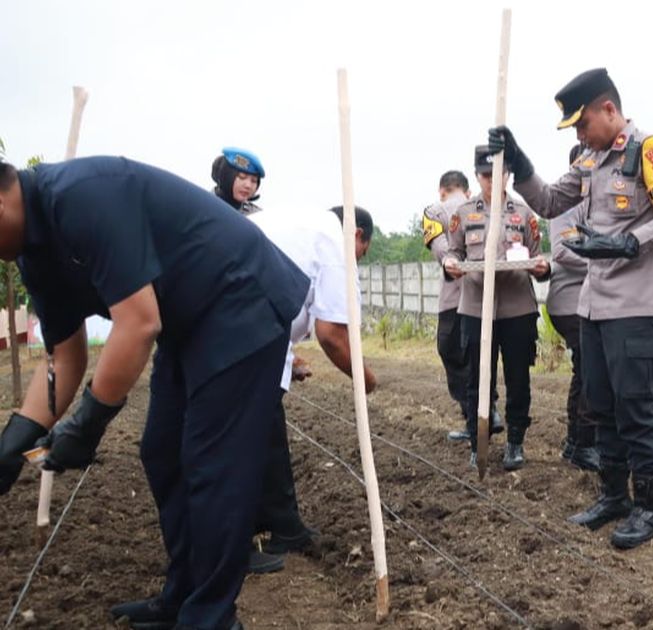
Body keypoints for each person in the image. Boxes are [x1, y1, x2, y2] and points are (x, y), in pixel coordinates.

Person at [0, 156, 309, 630]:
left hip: (239, 296)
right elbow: (63, 357)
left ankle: (210, 617)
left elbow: (139, 321)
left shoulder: (79, 195)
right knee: (162, 451)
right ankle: (184, 598)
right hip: (189, 320)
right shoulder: (33, 255)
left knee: (212, 462)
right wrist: (14, 441)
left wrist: (89, 422)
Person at [489, 67, 653, 549]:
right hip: (594, 306)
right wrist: (519, 163)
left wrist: (628, 243)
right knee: (600, 405)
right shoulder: (590, 159)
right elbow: (549, 201)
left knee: (635, 409)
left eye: (582, 124)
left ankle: (647, 508)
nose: (580, 135)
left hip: (637, 306)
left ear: (609, 109)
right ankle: (613, 496)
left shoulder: (651, 151)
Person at [244, 205, 379, 574]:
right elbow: (332, 336)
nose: (357, 260)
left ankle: (284, 525)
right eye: (362, 253)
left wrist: (288, 360)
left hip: (247, 329)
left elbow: (274, 300)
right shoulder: (335, 243)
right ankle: (231, 543)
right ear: (357, 236)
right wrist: (365, 378)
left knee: (267, 423)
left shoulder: (299, 227)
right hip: (235, 335)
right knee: (239, 439)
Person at [443, 146, 550, 470]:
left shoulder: (524, 213)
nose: (492, 181)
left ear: (508, 175)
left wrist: (542, 267)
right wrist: (451, 264)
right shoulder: (463, 214)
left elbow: (537, 254)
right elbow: (453, 253)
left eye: (499, 175)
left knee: (518, 378)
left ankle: (516, 442)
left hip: (517, 307)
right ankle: (479, 442)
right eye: (486, 176)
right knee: (478, 380)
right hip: (476, 308)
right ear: (477, 176)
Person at [423, 170, 502, 441]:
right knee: (480, 355)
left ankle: (477, 417)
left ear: (441, 190)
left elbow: (443, 254)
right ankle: (488, 408)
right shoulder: (488, 208)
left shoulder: (434, 212)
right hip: (487, 298)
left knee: (451, 352)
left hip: (453, 300)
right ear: (467, 190)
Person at [547, 144, 599, 472]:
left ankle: (575, 443)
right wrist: (606, 263)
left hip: (587, 300)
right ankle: (582, 443)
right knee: (590, 369)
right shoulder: (569, 201)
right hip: (569, 301)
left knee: (586, 369)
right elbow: (562, 250)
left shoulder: (597, 200)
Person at [211, 147, 266, 215]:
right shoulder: (203, 206)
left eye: (254, 181)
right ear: (226, 176)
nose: (248, 185)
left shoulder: (256, 217)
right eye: (242, 177)